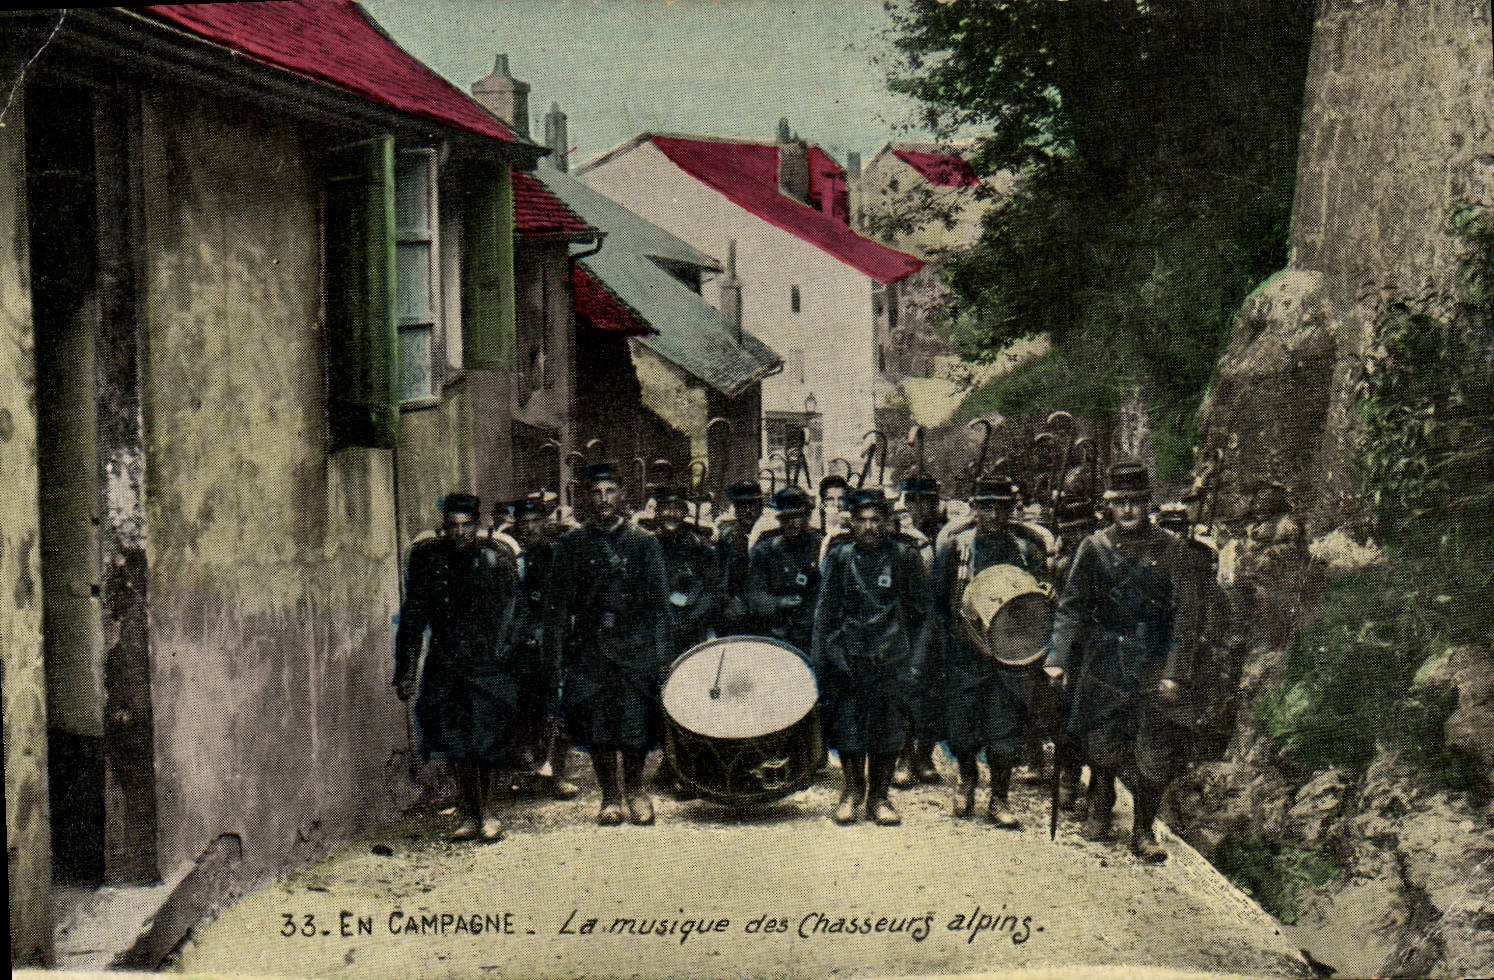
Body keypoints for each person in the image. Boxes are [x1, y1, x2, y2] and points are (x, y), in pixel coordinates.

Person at [1042, 461, 1213, 862]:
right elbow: (1072, 608)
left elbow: (1186, 618)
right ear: (1109, 507)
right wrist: (1057, 658)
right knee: (1101, 744)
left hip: (1153, 661)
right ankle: (1101, 803)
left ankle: (1143, 831)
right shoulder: (1093, 548)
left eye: (1136, 502)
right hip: (1105, 661)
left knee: (1154, 755)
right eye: (1121, 503)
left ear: (1147, 504)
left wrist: (1175, 673)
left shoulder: (1173, 551)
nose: (1129, 511)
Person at [394, 492, 525, 842]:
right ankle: (471, 812)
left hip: (487, 663)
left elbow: (515, 614)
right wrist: (407, 667)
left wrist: (507, 656)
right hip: (447, 661)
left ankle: (487, 812)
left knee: (484, 739)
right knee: (455, 740)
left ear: (478, 526)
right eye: (453, 526)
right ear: (444, 528)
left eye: (467, 525)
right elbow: (413, 617)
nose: (460, 533)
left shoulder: (495, 559)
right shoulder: (428, 561)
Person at [546, 463, 671, 826]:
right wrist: (556, 662)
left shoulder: (643, 543)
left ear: (623, 496)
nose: (603, 500)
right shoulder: (571, 545)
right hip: (590, 649)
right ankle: (610, 797)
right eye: (596, 493)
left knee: (634, 722)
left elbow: (660, 605)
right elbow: (556, 610)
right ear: (587, 498)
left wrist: (662, 656)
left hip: (635, 649)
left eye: (610, 492)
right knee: (599, 724)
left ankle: (635, 790)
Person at [923, 476, 1049, 827]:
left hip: (1011, 657)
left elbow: (1044, 596)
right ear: (974, 508)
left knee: (1004, 736)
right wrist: (936, 652)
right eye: (986, 506)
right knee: (961, 733)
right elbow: (934, 604)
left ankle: (999, 797)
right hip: (964, 657)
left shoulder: (1026, 551)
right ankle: (967, 778)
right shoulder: (955, 549)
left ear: (1011, 509)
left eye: (1001, 507)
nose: (993, 514)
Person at [812, 487, 928, 826]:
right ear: (851, 523)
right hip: (849, 659)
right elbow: (825, 613)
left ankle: (880, 796)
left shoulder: (905, 557)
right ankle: (852, 790)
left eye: (877, 520)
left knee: (888, 728)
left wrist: (915, 663)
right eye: (862, 521)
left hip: (891, 659)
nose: (870, 527)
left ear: (888, 522)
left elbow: (923, 616)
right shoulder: (839, 557)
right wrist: (826, 659)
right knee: (849, 728)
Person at [508, 496, 580, 800]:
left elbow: (565, 599)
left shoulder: (556, 555)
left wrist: (549, 630)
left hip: (553, 642)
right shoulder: (508, 557)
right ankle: (529, 771)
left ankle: (557, 773)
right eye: (523, 523)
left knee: (557, 706)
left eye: (535, 521)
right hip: (520, 646)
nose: (529, 528)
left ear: (545, 522)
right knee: (525, 707)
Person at [894, 475, 946, 787]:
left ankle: (925, 752)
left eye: (927, 500)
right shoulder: (899, 533)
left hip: (941, 619)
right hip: (907, 621)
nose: (920, 507)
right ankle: (903, 753)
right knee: (903, 688)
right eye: (914, 500)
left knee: (934, 691)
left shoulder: (947, 532)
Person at [747, 486, 824, 656]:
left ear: (807, 516)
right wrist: (778, 603)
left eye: (797, 516)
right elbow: (754, 595)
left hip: (811, 633)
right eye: (785, 518)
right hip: (775, 634)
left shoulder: (820, 547)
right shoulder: (765, 551)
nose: (791, 523)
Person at [714, 480, 765, 636]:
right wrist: (728, 601)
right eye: (742, 506)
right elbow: (719, 579)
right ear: (735, 509)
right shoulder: (727, 537)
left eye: (752, 505)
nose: (748, 511)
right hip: (736, 613)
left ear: (760, 507)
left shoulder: (770, 536)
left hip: (764, 613)